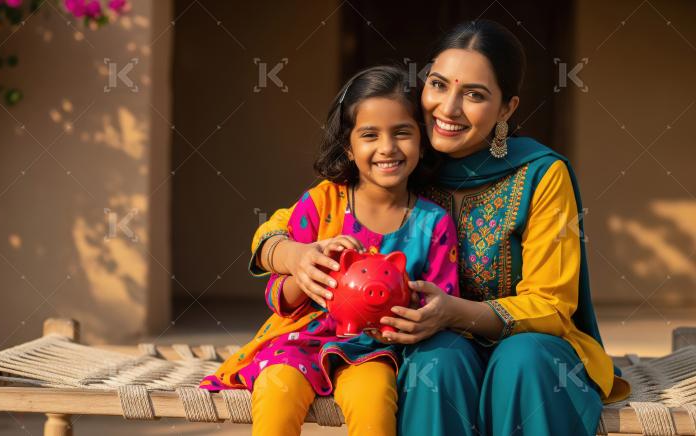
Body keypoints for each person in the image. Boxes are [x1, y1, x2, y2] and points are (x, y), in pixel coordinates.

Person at [250, 20, 631, 436]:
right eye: (438, 85)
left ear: (506, 109)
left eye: (474, 95)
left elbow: (552, 306)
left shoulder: (541, 175)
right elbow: (282, 227)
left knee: (521, 359)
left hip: (530, 350)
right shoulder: (402, 159)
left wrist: (455, 312)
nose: (448, 109)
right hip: (440, 347)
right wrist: (294, 256)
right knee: (436, 361)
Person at [201, 65, 460, 436]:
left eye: (402, 132)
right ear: (348, 147)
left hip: (375, 350)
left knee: (375, 400)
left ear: (421, 139)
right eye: (370, 135)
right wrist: (309, 271)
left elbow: (440, 302)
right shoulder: (322, 203)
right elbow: (278, 296)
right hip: (299, 342)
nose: (387, 148)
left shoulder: (432, 224)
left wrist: (407, 322)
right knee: (277, 392)